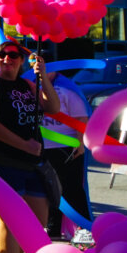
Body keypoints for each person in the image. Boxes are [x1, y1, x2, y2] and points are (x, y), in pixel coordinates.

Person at [0, 40, 59, 253]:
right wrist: (25, 145)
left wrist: (43, 77)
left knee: (38, 221)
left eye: (12, 55)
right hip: (2, 161)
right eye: (1, 54)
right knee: (11, 221)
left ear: (22, 60)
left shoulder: (28, 85)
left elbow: (53, 108)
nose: (5, 59)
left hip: (33, 163)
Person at [41, 76, 91, 238]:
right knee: (49, 189)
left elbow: (81, 117)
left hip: (66, 147)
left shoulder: (67, 89)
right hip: (43, 147)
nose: (38, 69)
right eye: (32, 63)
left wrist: (80, 143)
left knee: (72, 190)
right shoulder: (32, 86)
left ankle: (85, 231)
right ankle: (53, 227)